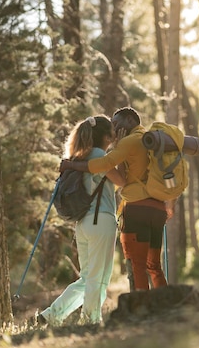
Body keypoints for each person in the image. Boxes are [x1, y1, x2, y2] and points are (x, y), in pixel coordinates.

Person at [60, 107, 174, 291]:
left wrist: (72, 165)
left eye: (116, 123)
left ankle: (141, 309)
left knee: (137, 265)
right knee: (154, 266)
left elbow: (105, 164)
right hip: (158, 208)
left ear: (129, 120)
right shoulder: (152, 141)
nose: (113, 129)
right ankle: (166, 305)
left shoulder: (128, 142)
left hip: (137, 209)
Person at [38, 115, 125, 326]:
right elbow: (122, 180)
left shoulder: (80, 155)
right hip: (101, 219)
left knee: (86, 277)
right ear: (106, 136)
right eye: (112, 131)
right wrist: (122, 148)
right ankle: (91, 320)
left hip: (83, 222)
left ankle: (52, 315)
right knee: (99, 278)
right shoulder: (100, 157)